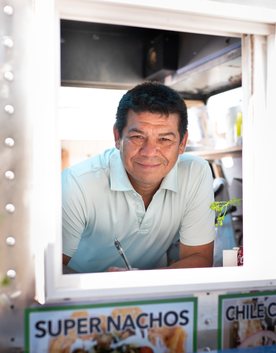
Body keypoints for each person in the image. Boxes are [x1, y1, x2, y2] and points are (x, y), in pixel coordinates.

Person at [62, 81, 215, 273]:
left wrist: (138, 282)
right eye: (137, 137)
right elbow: (48, 270)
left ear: (182, 143)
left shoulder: (195, 172)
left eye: (165, 139)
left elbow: (199, 257)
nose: (150, 152)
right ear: (117, 136)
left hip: (156, 294)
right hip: (83, 298)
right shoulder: (77, 184)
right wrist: (100, 287)